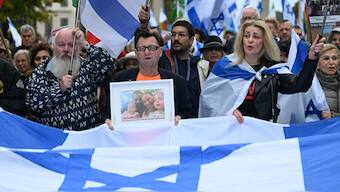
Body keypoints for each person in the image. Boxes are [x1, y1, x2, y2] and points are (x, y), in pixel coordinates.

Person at [200, 20, 325, 123]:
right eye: (246, 35)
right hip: (233, 131)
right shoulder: (226, 66)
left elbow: (300, 85)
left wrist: (311, 57)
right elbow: (210, 101)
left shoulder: (274, 69)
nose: (250, 40)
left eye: (256, 36)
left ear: (264, 41)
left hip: (264, 131)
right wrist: (228, 111)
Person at [25, 28, 114, 130]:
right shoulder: (40, 73)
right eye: (61, 45)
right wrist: (59, 89)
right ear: (54, 47)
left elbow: (108, 65)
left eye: (71, 45)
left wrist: (85, 44)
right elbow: (33, 106)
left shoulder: (87, 67)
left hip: (88, 135)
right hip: (56, 139)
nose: (66, 49)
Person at [106, 30, 193, 123]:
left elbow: (187, 112)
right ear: (136, 53)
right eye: (142, 48)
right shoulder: (120, 80)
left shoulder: (176, 82)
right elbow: (107, 112)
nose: (147, 52)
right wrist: (108, 120)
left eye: (151, 48)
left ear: (160, 52)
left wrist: (180, 118)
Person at [316, 44, 340, 117]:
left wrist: (333, 116)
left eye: (334, 58)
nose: (331, 62)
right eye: (326, 58)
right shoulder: (311, 84)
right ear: (318, 63)